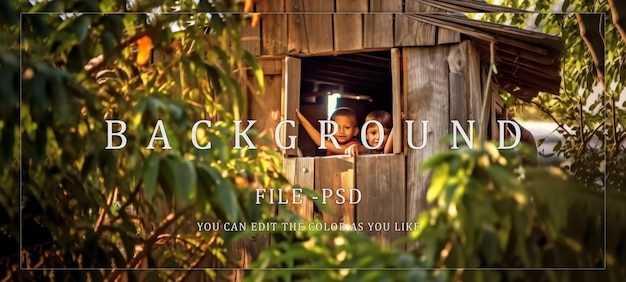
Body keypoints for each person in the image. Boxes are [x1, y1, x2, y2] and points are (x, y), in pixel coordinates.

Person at [295, 107, 365, 156]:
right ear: (331, 130)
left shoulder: (351, 146)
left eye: (347, 127)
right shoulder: (333, 144)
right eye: (337, 127)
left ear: (355, 131)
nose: (341, 131)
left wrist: (302, 120)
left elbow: (321, 142)